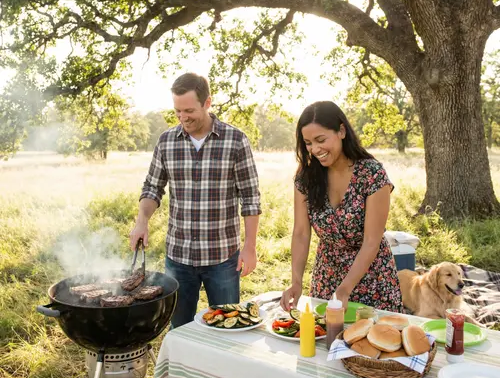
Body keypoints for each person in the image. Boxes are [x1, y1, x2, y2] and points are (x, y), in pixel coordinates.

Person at [130, 73, 261, 328]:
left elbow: (250, 197)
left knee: (227, 329)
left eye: (189, 110)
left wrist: (250, 246)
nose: (183, 117)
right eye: (177, 111)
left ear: (207, 103)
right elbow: (152, 187)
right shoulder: (166, 141)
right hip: (179, 258)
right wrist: (141, 221)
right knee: (179, 330)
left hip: (222, 258)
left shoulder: (235, 140)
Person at [281, 101, 403, 313]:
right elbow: (301, 233)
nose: (315, 149)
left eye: (321, 140)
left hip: (373, 278)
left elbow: (372, 241)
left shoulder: (372, 174)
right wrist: (296, 282)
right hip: (326, 277)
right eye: (308, 143)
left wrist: (344, 290)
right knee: (325, 343)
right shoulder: (305, 178)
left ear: (342, 131)